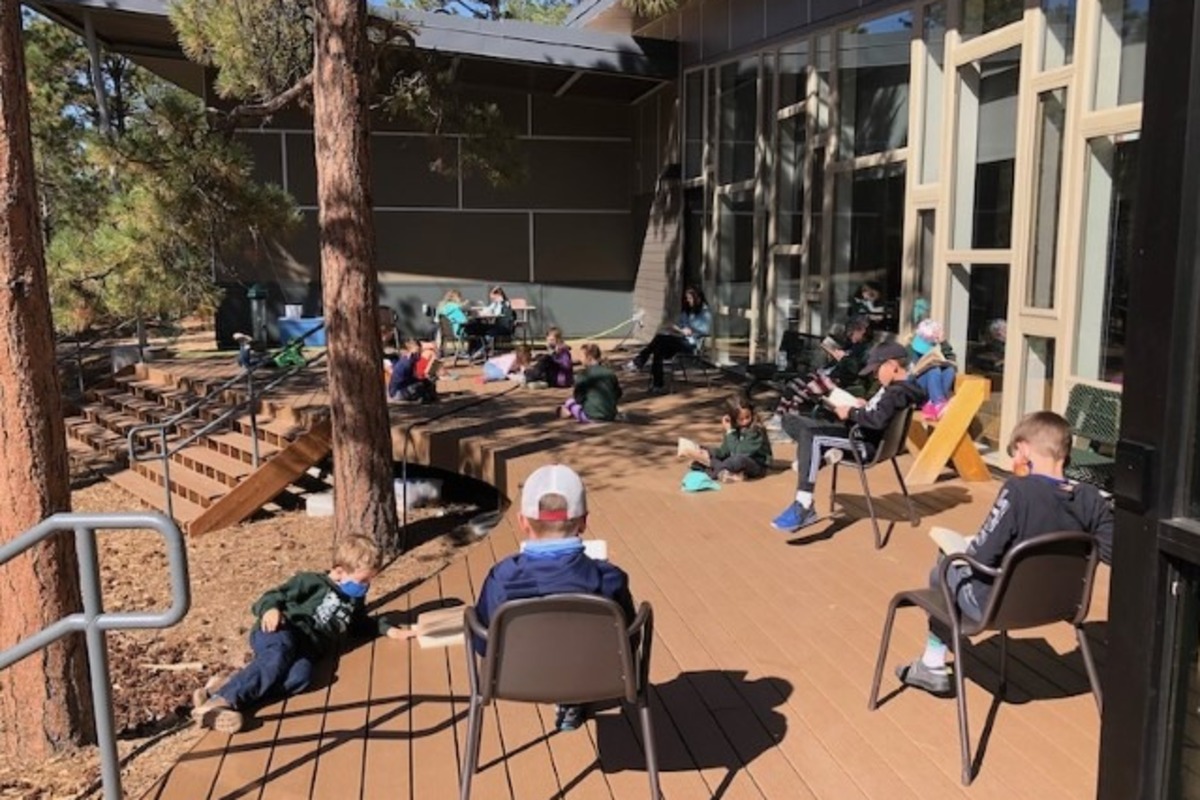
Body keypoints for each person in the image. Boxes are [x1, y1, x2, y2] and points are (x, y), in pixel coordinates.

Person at [894, 411, 1114, 696]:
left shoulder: (1018, 492)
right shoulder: (1091, 499)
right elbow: (1109, 552)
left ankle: (932, 665)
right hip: (1062, 605)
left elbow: (981, 556)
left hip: (995, 607)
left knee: (944, 567)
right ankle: (933, 661)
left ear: (1023, 449)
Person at [473, 463, 636, 731]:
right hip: (597, 676)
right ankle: (572, 698)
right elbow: (630, 639)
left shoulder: (501, 579)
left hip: (516, 679)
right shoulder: (609, 579)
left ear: (522, 522)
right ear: (584, 521)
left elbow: (481, 644)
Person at [190, 535, 408, 733]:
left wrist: (388, 630)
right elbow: (273, 596)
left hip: (306, 649)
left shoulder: (353, 600)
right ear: (340, 571)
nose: (366, 587)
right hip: (281, 632)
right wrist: (271, 609)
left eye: (369, 581)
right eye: (362, 581)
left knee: (299, 678)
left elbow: (359, 624)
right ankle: (221, 700)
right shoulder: (311, 582)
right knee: (277, 656)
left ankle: (221, 695)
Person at [771, 341, 925, 533]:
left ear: (892, 366)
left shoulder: (897, 392)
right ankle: (819, 456)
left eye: (877, 370)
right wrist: (864, 405)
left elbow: (877, 421)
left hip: (863, 444)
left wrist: (852, 412)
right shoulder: (899, 389)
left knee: (812, 437)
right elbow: (881, 414)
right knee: (791, 421)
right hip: (858, 433)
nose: (874, 375)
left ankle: (804, 504)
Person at [624, 286, 712, 394]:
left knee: (660, 339)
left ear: (697, 298)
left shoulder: (705, 312)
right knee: (658, 350)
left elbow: (706, 330)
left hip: (691, 345)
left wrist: (691, 330)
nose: (688, 301)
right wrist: (677, 329)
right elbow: (680, 326)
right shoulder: (686, 311)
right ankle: (657, 384)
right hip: (678, 341)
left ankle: (638, 362)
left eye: (690, 298)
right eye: (686, 298)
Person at [680, 394, 773, 482]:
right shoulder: (733, 429)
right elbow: (724, 451)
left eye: (748, 417)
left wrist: (730, 432)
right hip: (733, 462)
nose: (745, 422)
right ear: (733, 419)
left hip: (756, 465)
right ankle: (725, 472)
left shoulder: (755, 430)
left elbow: (740, 451)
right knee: (709, 455)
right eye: (741, 419)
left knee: (738, 459)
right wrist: (708, 452)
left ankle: (714, 471)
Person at [907, 319, 957, 421]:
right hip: (914, 389)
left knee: (949, 370)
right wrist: (918, 370)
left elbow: (951, 359)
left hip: (929, 389)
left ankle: (932, 404)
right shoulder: (909, 351)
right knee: (933, 369)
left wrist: (943, 343)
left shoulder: (936, 348)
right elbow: (905, 378)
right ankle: (938, 402)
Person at [559, 343, 621, 423]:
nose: (580, 359)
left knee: (569, 402)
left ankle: (568, 412)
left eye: (581, 356)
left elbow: (578, 398)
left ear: (589, 357)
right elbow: (618, 394)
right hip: (610, 415)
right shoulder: (610, 373)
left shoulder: (584, 374)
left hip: (590, 416)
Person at [464, 286, 516, 358]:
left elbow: (498, 314)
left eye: (493, 297)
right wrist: (482, 312)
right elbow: (488, 309)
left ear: (498, 295)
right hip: (496, 325)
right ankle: (474, 350)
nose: (492, 299)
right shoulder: (495, 303)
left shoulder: (505, 304)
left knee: (484, 330)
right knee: (477, 327)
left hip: (503, 327)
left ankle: (481, 350)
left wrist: (492, 310)